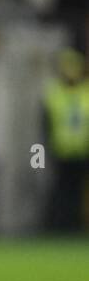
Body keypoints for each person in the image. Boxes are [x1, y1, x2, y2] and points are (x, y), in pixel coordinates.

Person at [42, 47, 89, 232]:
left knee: (79, 193)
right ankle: (60, 227)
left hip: (84, 152)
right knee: (61, 192)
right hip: (60, 153)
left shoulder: (86, 92)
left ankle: (78, 227)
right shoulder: (53, 93)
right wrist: (39, 158)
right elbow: (43, 129)